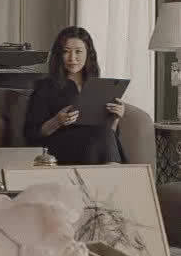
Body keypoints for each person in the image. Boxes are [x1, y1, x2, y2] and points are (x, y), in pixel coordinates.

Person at [23, 26, 126, 165]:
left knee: (104, 135)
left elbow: (110, 134)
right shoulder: (45, 86)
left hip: (94, 145)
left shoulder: (98, 86)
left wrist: (115, 118)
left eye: (78, 51)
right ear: (59, 55)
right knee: (101, 137)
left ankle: (109, 174)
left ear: (88, 54)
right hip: (60, 147)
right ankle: (115, 176)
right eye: (66, 51)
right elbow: (31, 133)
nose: (72, 58)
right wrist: (57, 121)